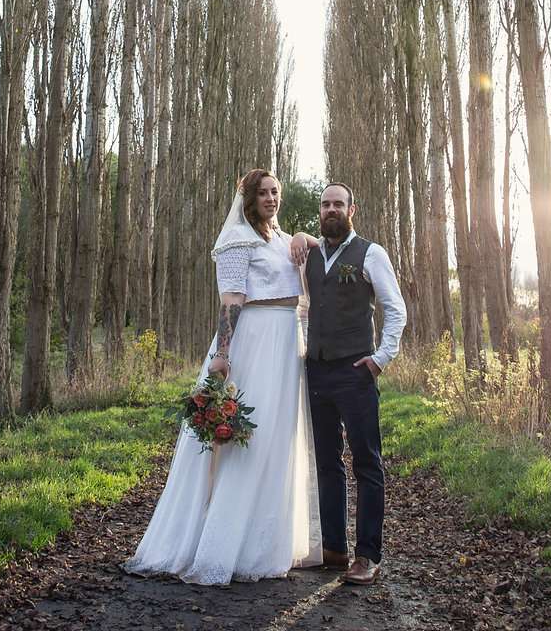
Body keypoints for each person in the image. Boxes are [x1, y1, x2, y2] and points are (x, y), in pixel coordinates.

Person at [123, 169, 322, 586]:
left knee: (276, 441)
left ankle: (263, 543)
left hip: (286, 344)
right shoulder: (237, 239)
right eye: (263, 193)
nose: (271, 199)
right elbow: (231, 300)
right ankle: (222, 544)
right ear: (249, 199)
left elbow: (321, 258)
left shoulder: (284, 240)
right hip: (254, 343)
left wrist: (305, 235)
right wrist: (223, 355)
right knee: (247, 440)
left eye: (275, 192)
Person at [297, 182, 406, 586]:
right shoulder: (310, 255)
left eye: (338, 204)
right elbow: (303, 309)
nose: (331, 210)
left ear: (351, 210)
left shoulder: (371, 253)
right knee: (327, 462)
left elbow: (395, 309)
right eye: (325, 204)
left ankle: (368, 555)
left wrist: (380, 359)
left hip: (356, 370)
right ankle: (334, 548)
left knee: (366, 462)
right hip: (317, 370)